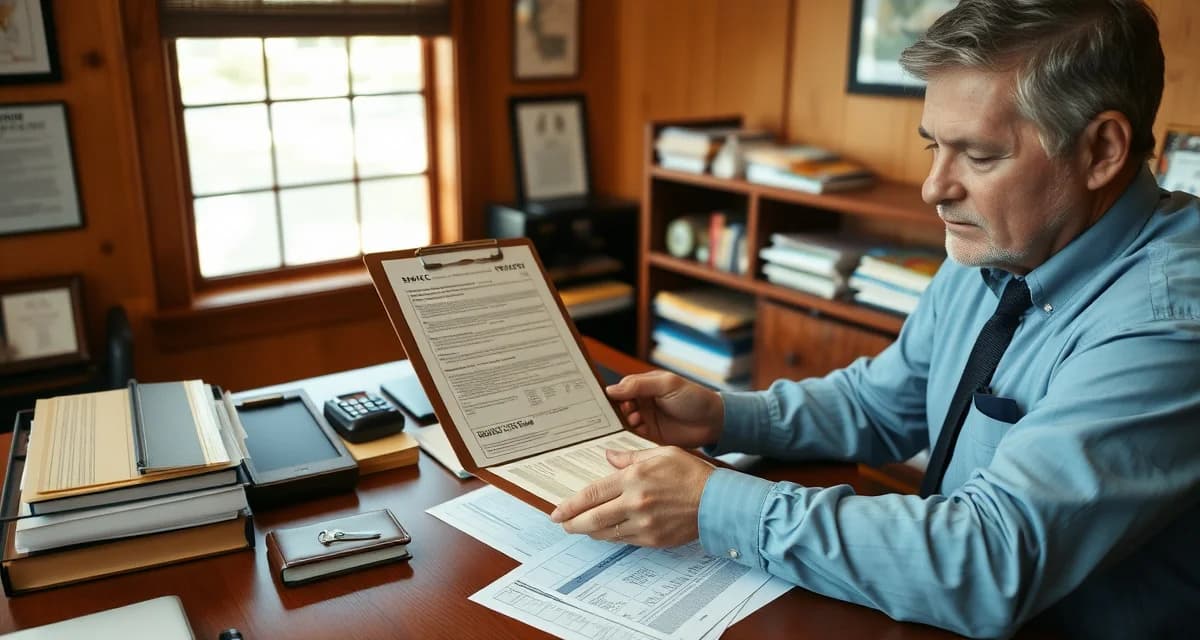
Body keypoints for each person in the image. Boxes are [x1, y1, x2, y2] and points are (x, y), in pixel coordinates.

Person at [549, 1, 1200, 637]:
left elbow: (991, 561)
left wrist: (715, 505)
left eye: (977, 156)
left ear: (1102, 150)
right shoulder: (1010, 238)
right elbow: (887, 402)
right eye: (933, 147)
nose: (934, 187)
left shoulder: (1169, 318)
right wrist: (725, 415)